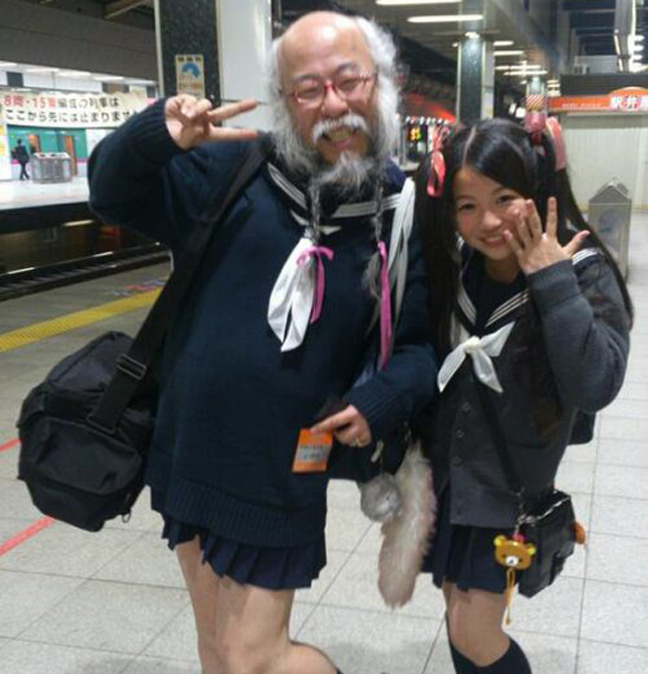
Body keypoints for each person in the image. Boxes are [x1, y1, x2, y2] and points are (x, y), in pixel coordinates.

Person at [88, 10, 436, 674]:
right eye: (308, 89)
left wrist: (380, 401)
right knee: (217, 650)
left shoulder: (398, 210)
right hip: (192, 448)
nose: (333, 104)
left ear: (382, 82)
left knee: (253, 656)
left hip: (283, 467)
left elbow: (420, 349)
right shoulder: (233, 170)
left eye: (349, 80)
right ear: (284, 101)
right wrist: (155, 135)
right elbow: (110, 192)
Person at [414, 117, 633, 674]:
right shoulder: (461, 267)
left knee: (473, 631)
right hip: (452, 481)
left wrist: (552, 282)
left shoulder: (580, 269)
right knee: (458, 616)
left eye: (505, 198)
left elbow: (597, 384)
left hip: (506, 491)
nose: (487, 221)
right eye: (467, 205)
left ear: (536, 189)